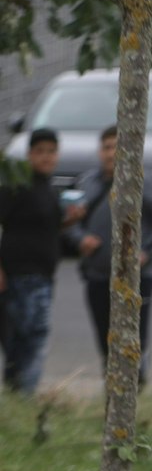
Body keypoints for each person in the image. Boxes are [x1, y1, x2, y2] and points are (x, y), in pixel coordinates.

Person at [69, 126, 152, 384]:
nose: (111, 153)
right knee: (104, 334)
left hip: (138, 275)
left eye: (117, 146)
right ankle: (112, 386)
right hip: (97, 273)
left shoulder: (143, 180)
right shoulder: (89, 182)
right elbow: (71, 218)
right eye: (106, 147)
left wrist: (147, 251)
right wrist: (79, 238)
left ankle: (135, 385)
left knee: (133, 334)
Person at [2, 129, 83, 395]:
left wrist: (71, 219)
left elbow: (49, 226)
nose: (46, 157)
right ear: (29, 155)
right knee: (32, 338)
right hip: (21, 274)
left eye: (51, 151)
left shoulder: (49, 187)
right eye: (40, 151)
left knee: (23, 340)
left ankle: (18, 394)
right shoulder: (17, 185)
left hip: (44, 274)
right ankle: (25, 394)